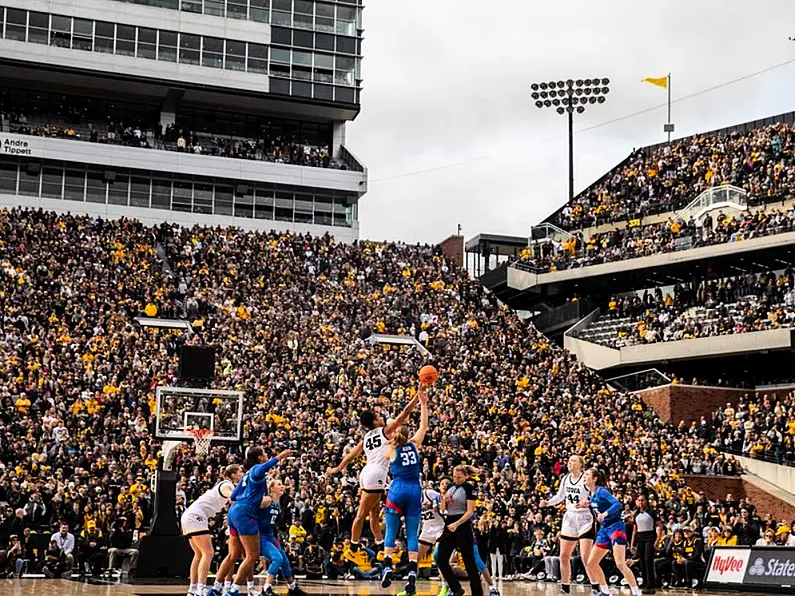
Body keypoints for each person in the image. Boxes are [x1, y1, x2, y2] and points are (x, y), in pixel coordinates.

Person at [326, 393, 421, 553]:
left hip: (366, 473)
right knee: (362, 514)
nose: (381, 416)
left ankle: (379, 543)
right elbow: (404, 413)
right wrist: (418, 396)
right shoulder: (384, 431)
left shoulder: (366, 437)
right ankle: (354, 545)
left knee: (374, 513)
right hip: (376, 474)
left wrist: (337, 468)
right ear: (375, 421)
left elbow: (350, 456)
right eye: (378, 415)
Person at [220, 447, 293, 596]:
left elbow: (233, 496)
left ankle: (218, 587)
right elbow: (263, 468)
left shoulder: (247, 475)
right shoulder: (257, 471)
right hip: (246, 514)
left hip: (235, 512)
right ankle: (233, 590)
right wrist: (280, 456)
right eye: (265, 453)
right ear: (260, 457)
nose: (266, 455)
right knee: (251, 556)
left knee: (235, 555)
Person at [381, 384, 429, 596]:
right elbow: (424, 426)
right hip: (414, 490)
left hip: (397, 489)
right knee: (412, 534)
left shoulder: (389, 449)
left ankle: (387, 565)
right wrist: (423, 404)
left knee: (390, 530)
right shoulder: (414, 444)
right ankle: (411, 574)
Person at [181, 464, 243, 596]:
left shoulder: (226, 485)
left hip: (190, 515)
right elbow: (232, 496)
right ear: (233, 475)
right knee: (208, 553)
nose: (242, 473)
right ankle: (201, 588)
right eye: (240, 471)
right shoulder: (227, 485)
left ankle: (193, 589)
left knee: (199, 554)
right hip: (196, 516)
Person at [539, 454, 597, 595]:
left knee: (585, 557)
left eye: (573, 461)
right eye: (569, 460)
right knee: (563, 556)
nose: (569, 463)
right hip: (570, 517)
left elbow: (597, 495)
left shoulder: (586, 478)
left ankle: (595, 585)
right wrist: (547, 502)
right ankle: (565, 587)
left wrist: (588, 501)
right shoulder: (565, 478)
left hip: (585, 518)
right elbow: (560, 496)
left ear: (580, 464)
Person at [579, 468, 641, 596]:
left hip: (615, 527)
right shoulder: (593, 495)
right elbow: (597, 504)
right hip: (604, 530)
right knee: (591, 563)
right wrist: (587, 503)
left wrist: (605, 513)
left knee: (620, 563)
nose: (584, 476)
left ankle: (636, 592)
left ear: (595, 479)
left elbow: (617, 504)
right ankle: (606, 592)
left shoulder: (602, 491)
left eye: (587, 475)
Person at [437, 465, 483, 596]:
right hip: (449, 521)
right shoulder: (451, 487)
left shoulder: (469, 488)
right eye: (454, 476)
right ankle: (456, 588)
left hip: (462, 524)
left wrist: (457, 524)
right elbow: (443, 508)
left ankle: (477, 592)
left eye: (459, 477)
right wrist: (444, 499)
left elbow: (470, 511)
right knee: (441, 559)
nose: (456, 479)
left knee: (469, 561)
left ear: (465, 476)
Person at [257, 478, 307, 596]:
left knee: (285, 561)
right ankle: (266, 588)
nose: (282, 486)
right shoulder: (267, 499)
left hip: (270, 535)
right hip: (260, 536)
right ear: (271, 488)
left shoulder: (276, 502)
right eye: (279, 484)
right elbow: (251, 507)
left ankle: (292, 587)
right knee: (277, 558)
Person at [630, 495, 659, 595]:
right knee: (641, 560)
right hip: (640, 537)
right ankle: (645, 581)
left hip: (650, 536)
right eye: (639, 500)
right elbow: (635, 529)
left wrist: (657, 540)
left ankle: (651, 583)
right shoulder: (636, 513)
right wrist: (632, 543)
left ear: (646, 501)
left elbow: (659, 526)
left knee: (648, 559)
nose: (641, 502)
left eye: (642, 500)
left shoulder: (651, 512)